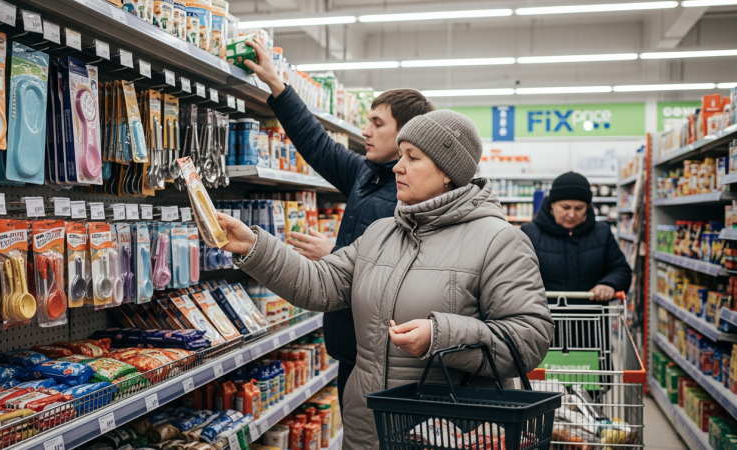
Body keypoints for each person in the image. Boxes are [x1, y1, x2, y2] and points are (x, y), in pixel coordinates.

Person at [215, 110, 554, 450]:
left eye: (412, 157)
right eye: (400, 154)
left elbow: (530, 337)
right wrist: (253, 246)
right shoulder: (380, 233)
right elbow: (320, 283)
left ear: (448, 172)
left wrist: (441, 335)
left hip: (451, 431)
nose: (397, 166)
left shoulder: (498, 240)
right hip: (368, 425)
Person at [243, 39, 435, 407]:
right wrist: (278, 86)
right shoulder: (366, 174)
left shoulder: (414, 196)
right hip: (349, 341)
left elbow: (409, 275)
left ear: (406, 134)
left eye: (377, 123)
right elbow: (316, 144)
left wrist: (335, 253)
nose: (365, 130)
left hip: (386, 351)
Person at [521, 172, 632, 301]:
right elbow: (513, 274)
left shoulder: (602, 233)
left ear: (588, 207)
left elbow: (621, 269)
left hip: (591, 318)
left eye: (579, 208)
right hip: (542, 317)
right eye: (565, 207)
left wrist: (609, 283)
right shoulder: (529, 233)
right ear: (552, 204)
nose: (572, 214)